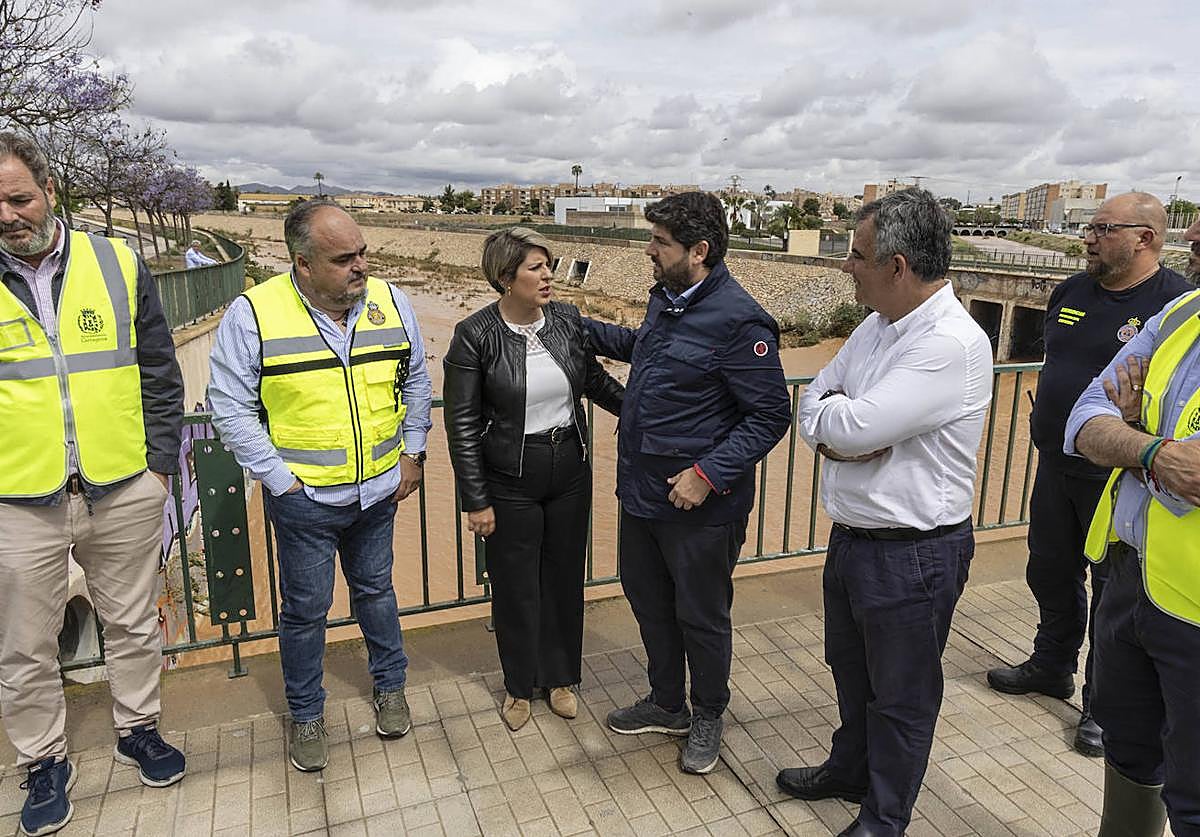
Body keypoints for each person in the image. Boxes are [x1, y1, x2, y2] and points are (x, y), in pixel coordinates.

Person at [777, 188, 993, 837]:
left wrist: (843, 427)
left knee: (901, 696)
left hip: (913, 554)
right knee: (850, 671)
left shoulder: (948, 343)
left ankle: (883, 818)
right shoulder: (878, 325)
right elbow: (817, 401)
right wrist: (841, 430)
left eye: (857, 254)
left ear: (898, 266)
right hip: (855, 540)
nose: (847, 266)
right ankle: (850, 769)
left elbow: (851, 426)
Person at [0, 132, 186, 836]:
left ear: (50, 191)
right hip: (18, 499)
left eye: (19, 197)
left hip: (122, 485)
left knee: (133, 622)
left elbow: (159, 370)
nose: (8, 215)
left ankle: (139, 728)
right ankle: (42, 760)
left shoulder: (116, 262)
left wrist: (158, 467)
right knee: (24, 644)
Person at [208, 198, 432, 773]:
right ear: (302, 264)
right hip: (305, 502)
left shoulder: (391, 301)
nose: (361, 266)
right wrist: (281, 481)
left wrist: (413, 452)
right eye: (343, 259)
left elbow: (415, 379)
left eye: (363, 253)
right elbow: (230, 407)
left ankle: (391, 689)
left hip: (379, 493)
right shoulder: (254, 314)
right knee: (306, 612)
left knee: (378, 594)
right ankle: (307, 715)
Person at [585, 191, 791, 775]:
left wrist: (707, 474)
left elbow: (770, 416)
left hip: (699, 508)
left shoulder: (740, 321)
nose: (649, 251)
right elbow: (646, 351)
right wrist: (579, 328)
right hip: (643, 493)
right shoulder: (667, 300)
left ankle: (708, 713)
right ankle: (667, 702)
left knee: (701, 616)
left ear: (698, 251)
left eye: (660, 242)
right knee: (649, 602)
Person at [986, 193, 1191, 756]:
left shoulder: (1171, 304)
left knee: (1110, 591)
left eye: (1102, 229)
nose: (1088, 238)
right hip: (1055, 464)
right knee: (1049, 570)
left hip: (1119, 477)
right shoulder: (1071, 291)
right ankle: (1052, 665)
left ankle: (1102, 706)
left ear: (1145, 237)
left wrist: (1134, 436)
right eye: (1089, 229)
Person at [443, 227, 623, 731]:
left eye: (549, 266)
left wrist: (641, 410)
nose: (548, 276)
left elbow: (593, 381)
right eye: (536, 268)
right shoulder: (475, 335)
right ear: (506, 277)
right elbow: (461, 423)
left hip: (568, 468)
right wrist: (476, 499)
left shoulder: (565, 320)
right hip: (510, 477)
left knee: (564, 579)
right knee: (516, 586)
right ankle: (519, 686)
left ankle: (561, 679)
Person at [1065, 256, 1200, 837]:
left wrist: (1134, 430)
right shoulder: (1183, 313)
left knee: (1194, 794)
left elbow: (1194, 482)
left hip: (1193, 610)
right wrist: (1152, 450)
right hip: (1131, 581)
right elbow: (1084, 419)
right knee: (1128, 748)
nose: (1191, 235)